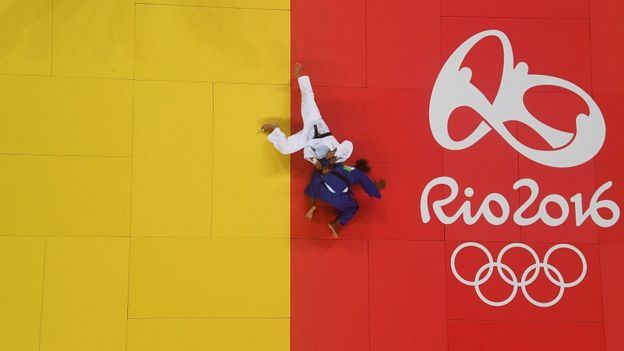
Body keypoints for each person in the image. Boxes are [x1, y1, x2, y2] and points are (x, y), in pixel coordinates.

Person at [261, 63, 353, 169]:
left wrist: (314, 161)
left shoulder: (321, 156)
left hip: (306, 138)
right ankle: (300, 76)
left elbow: (307, 151)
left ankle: (275, 128)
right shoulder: (337, 149)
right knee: (308, 98)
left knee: (285, 149)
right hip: (315, 123)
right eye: (333, 159)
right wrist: (335, 154)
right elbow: (347, 146)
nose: (329, 160)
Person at [305, 159, 386, 238]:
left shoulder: (342, 165)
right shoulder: (360, 174)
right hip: (336, 198)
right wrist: (377, 188)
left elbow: (325, 164)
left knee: (316, 176)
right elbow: (371, 191)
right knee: (353, 208)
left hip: (321, 189)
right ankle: (334, 223)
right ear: (363, 171)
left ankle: (312, 204)